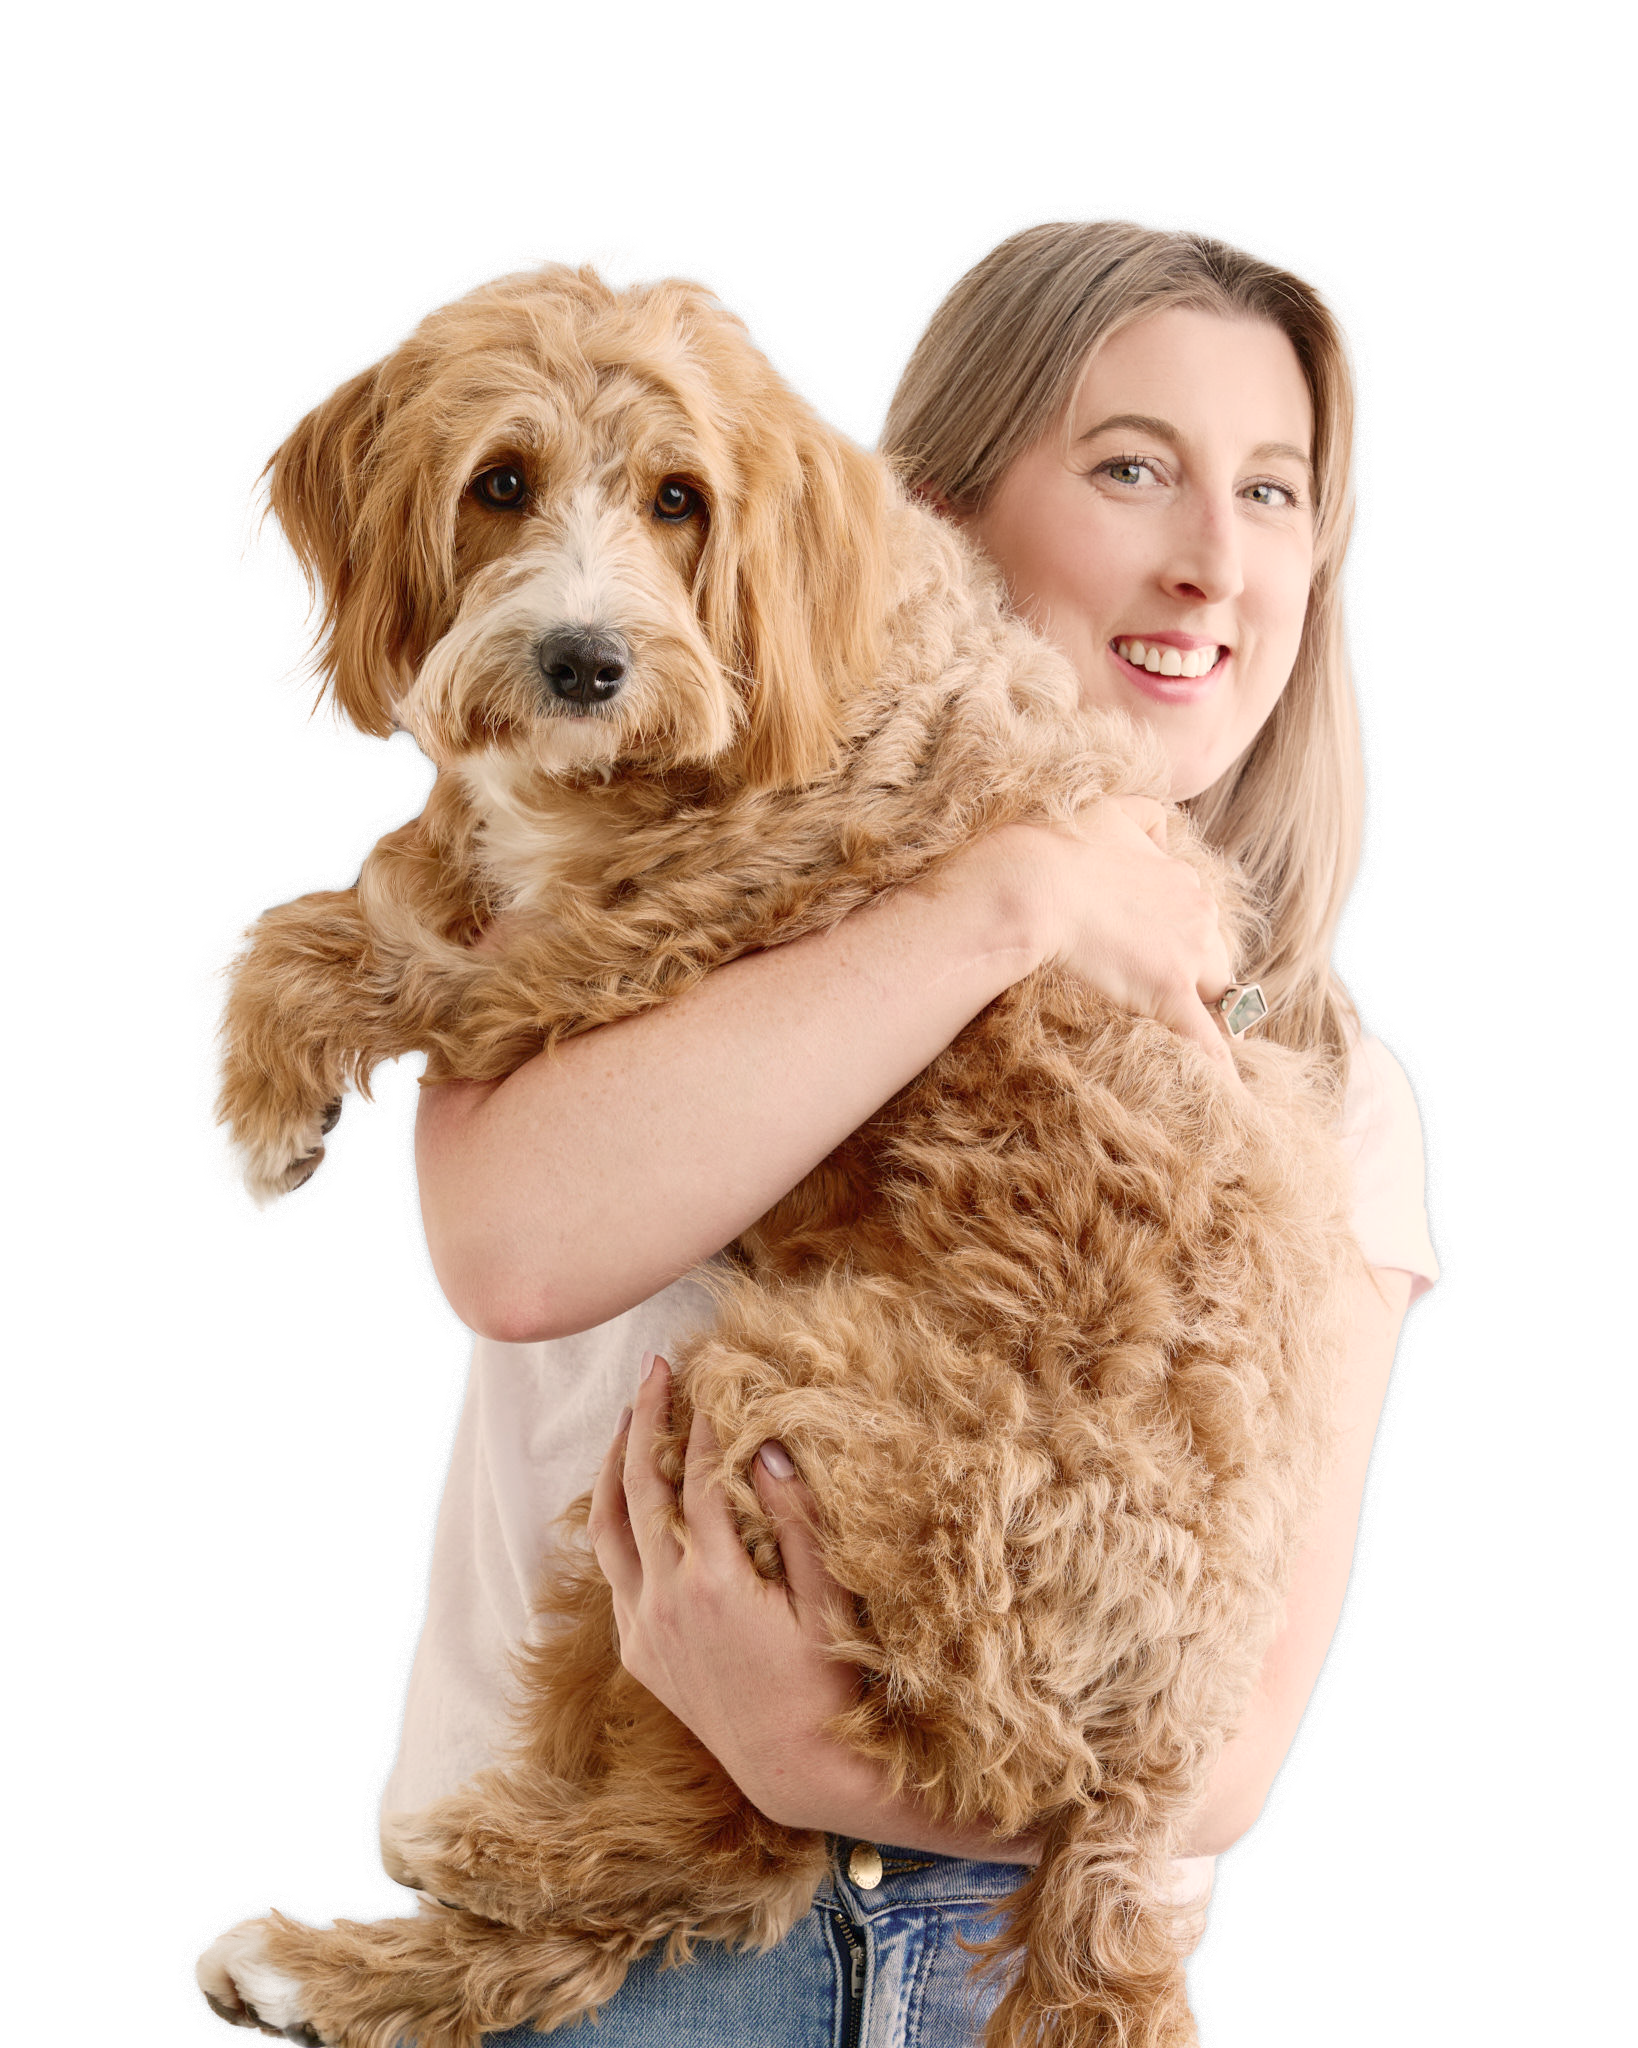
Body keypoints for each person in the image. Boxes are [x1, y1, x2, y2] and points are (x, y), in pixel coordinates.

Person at [394, 216, 1439, 2043]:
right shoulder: (632, 818)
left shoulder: (1330, 1094)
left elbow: (1211, 1765)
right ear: (930, 513)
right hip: (612, 1965)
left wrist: (812, 1751)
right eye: (1133, 470)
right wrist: (1007, 898)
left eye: (1274, 494)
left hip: (1021, 1975)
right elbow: (512, 1244)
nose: (1212, 563)